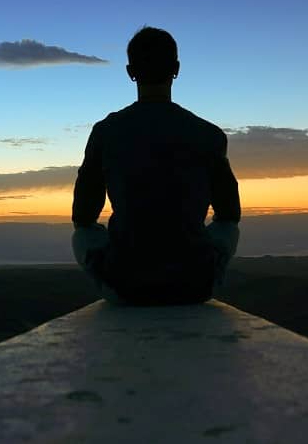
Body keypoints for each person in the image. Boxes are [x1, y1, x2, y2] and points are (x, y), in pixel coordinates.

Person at [71, 26, 240, 305]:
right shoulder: (209, 134)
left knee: (84, 235)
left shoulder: (106, 132)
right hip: (195, 285)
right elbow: (229, 214)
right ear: (176, 68)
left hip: (125, 286)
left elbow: (83, 217)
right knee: (227, 228)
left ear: (130, 72)